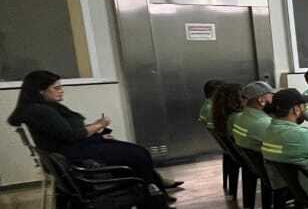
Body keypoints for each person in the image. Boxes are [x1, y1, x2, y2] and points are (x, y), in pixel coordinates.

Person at [6, 70, 179, 193]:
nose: (61, 90)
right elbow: (72, 135)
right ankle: (153, 196)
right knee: (139, 153)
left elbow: (66, 131)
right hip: (72, 155)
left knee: (129, 151)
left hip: (69, 150)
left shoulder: (38, 108)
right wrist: (98, 125)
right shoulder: (41, 110)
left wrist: (96, 130)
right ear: (40, 91)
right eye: (56, 88)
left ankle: (154, 188)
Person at [260, 89, 308, 203]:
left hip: (293, 187)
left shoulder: (268, 131)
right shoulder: (304, 136)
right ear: (296, 110)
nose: (305, 110)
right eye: (304, 106)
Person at [231, 81, 275, 153]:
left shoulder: (237, 117)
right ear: (261, 100)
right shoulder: (265, 123)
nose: (273, 99)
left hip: (251, 162)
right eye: (271, 96)